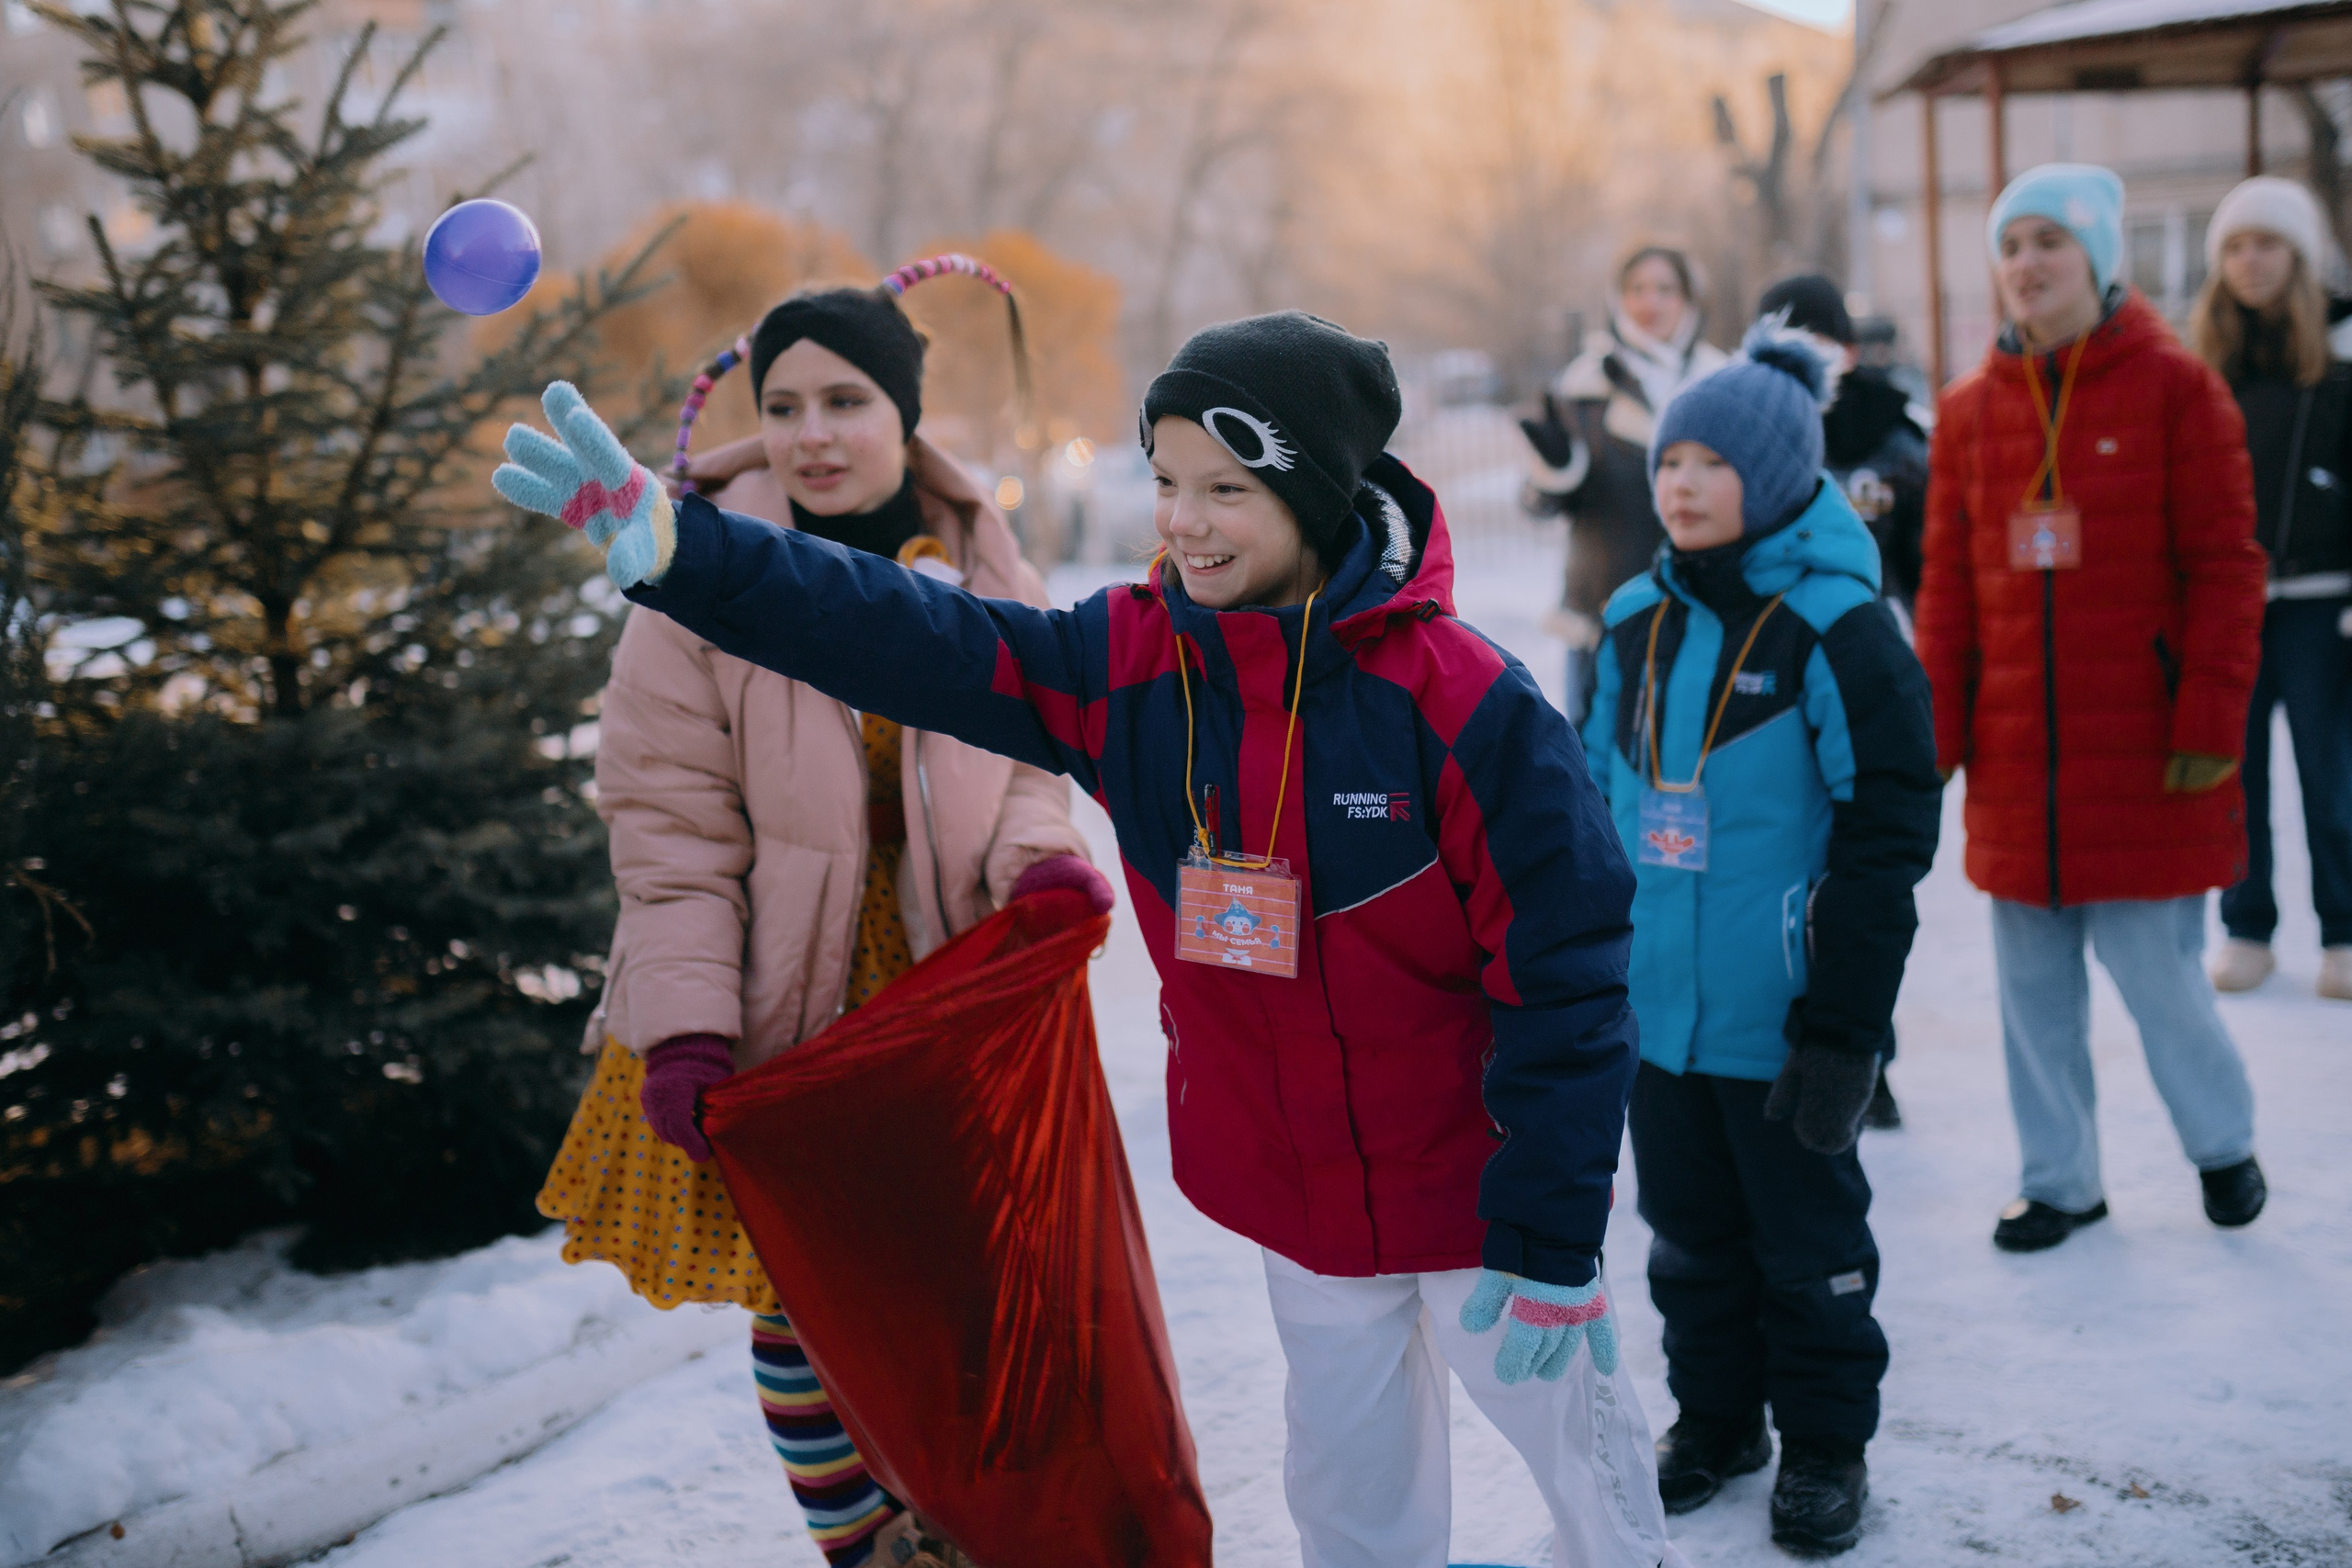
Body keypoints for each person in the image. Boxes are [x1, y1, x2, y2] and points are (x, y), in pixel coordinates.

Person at [499, 310, 1689, 1567]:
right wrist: (686, 553)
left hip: (1479, 1192)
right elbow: (910, 632)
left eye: (1227, 488)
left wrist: (1552, 1230)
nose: (1185, 519)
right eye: (1169, 482)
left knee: (1577, 1454)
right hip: (1304, 1203)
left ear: (1317, 494)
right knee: (1349, 1485)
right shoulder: (1130, 666)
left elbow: (1569, 975)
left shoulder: (1461, 703)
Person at [532, 262, 1105, 1568]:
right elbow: (668, 830)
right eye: (782, 403)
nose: (811, 432)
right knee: (803, 1306)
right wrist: (687, 1027)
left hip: (950, 989)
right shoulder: (689, 568)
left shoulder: (972, 552)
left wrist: (1040, 863)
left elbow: (1028, 755)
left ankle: (973, 1522)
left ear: (904, 410)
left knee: (967, 1288)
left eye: (845, 398)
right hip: (781, 993)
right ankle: (868, 1545)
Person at [1582, 321, 1939, 1557]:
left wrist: (1846, 1027)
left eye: (1711, 463)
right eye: (1670, 459)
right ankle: (1719, 1418)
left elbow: (1889, 836)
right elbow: (1595, 806)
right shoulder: (1633, 619)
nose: (1678, 483)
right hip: (1658, 1015)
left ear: (1778, 474)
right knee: (1689, 1238)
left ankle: (1829, 1444)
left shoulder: (1839, 629)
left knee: (1811, 1246)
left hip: (1786, 1016)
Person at [1913, 164, 2271, 1254]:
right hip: (2018, 766)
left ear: (2098, 258)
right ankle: (2059, 1180)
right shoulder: (1968, 415)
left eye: (2047, 243)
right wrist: (1935, 738)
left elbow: (2225, 569)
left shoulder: (2177, 390)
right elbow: (1947, 595)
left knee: (2158, 983)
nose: (2024, 265)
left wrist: (2208, 728)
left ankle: (2222, 1147)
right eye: (2008, 245)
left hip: (2146, 755)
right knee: (2031, 998)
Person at [1756, 275, 1933, 1137]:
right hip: (1760, 679)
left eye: (1814, 333)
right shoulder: (1744, 424)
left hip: (1862, 662)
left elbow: (1929, 557)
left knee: (1851, 878)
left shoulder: (1896, 436)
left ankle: (1869, 1055)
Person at [2188, 176, 2352, 1003]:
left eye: (2268, 244)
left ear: (2300, 255)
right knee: (2233, 773)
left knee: (2333, 775)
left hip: (2324, 604)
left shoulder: (2344, 356)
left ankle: (2345, 932)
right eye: (2236, 247)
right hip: (2232, 607)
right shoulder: (2204, 366)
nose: (2251, 262)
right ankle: (2246, 927)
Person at [1521, 247, 1730, 724]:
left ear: (1688, 299)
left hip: (1706, 605)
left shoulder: (1721, 382)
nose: (1649, 302)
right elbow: (1541, 506)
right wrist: (1554, 466)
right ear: (1618, 299)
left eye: (1664, 289)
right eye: (1637, 289)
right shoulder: (1584, 386)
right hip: (1604, 611)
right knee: (1600, 774)